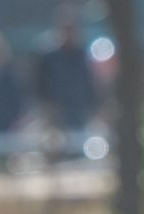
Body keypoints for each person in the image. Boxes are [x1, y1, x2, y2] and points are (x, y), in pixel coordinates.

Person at [34, 9, 97, 141]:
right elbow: (40, 85)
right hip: (57, 115)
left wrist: (92, 109)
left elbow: (90, 85)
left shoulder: (82, 56)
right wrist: (48, 108)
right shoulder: (48, 57)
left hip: (79, 112)